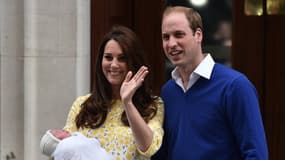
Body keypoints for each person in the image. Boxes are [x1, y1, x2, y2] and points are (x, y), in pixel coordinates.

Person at [152, 6, 268, 160]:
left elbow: (256, 154)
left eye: (179, 35)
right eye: (166, 37)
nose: (171, 43)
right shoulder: (168, 91)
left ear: (198, 35)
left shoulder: (235, 86)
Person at [40, 25, 164, 160]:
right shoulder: (82, 104)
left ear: (133, 62)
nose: (114, 65)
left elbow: (149, 148)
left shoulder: (153, 105)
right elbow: (64, 150)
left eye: (122, 58)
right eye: (108, 57)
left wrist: (127, 102)